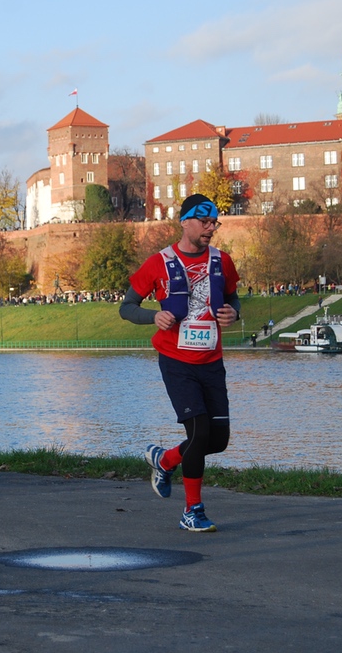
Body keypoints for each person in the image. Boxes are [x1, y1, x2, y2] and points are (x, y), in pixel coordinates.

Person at [120, 193, 240, 532]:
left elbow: (233, 298)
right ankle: (192, 511)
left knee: (217, 440)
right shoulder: (159, 262)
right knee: (199, 432)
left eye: (214, 222)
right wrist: (153, 317)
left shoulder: (222, 261)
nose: (211, 228)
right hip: (176, 361)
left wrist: (234, 313)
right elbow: (126, 307)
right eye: (205, 222)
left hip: (211, 361)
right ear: (185, 222)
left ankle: (165, 459)